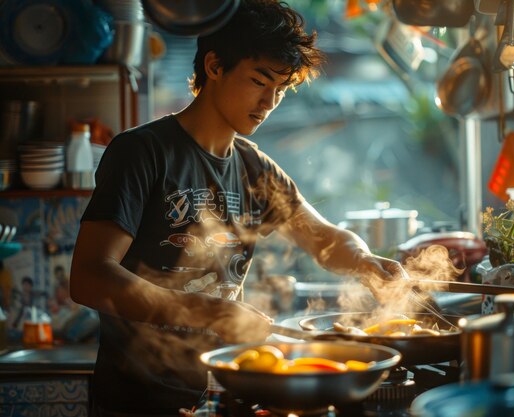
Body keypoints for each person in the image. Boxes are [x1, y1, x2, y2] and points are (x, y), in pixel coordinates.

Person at [69, 0, 409, 415]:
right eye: (259, 81)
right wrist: (208, 312)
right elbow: (89, 276)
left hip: (221, 394)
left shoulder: (255, 168)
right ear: (214, 66)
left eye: (281, 91)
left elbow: (323, 238)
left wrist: (367, 262)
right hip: (139, 401)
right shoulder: (141, 152)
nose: (269, 103)